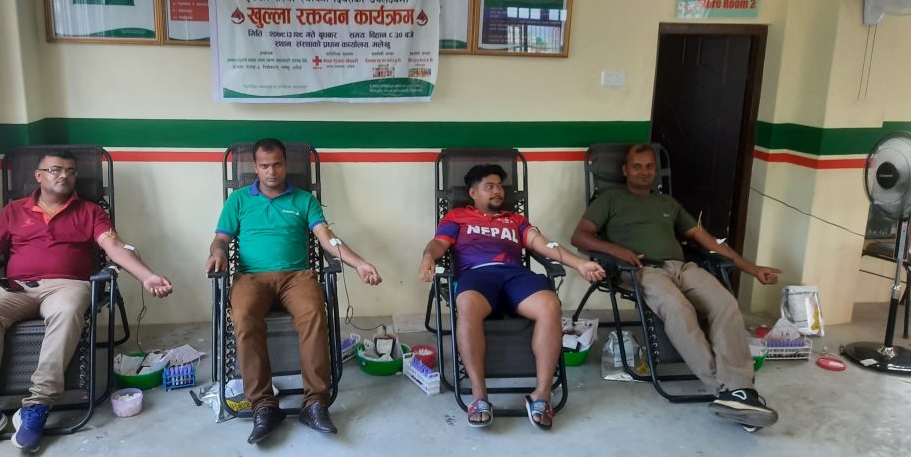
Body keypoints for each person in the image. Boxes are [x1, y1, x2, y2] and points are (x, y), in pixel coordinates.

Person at [0, 150, 173, 455]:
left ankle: (38, 404)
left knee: (67, 311)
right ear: (39, 175)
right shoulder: (14, 210)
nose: (64, 175)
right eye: (55, 170)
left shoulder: (90, 211)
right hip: (17, 287)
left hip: (67, 286)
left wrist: (146, 276)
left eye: (70, 171)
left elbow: (114, 247)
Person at [570, 144, 782, 431]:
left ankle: (740, 391)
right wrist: (615, 250)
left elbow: (709, 242)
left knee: (726, 304)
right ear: (625, 170)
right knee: (678, 309)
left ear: (655, 171)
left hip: (683, 267)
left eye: (649, 166)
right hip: (642, 270)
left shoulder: (668, 204)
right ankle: (727, 391)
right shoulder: (609, 199)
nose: (644, 172)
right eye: (637, 166)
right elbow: (579, 237)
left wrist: (753, 269)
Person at [206, 138, 382, 445]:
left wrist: (359, 263)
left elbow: (328, 239)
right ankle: (263, 405)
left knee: (314, 314)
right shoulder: (239, 201)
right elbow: (220, 239)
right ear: (255, 167)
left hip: (296, 277)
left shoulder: (304, 200)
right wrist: (218, 253)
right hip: (251, 278)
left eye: (277, 164)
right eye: (265, 165)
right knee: (244, 317)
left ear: (286, 165)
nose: (271, 171)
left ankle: (315, 404)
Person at [418, 164, 605, 430]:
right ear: (473, 192)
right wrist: (428, 256)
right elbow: (439, 243)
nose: (497, 191)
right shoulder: (457, 216)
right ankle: (479, 396)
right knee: (467, 306)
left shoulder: (515, 220)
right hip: (477, 275)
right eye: (489, 186)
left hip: (515, 276)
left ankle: (541, 395)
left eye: (499, 186)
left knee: (550, 305)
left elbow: (544, 244)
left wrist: (580, 264)